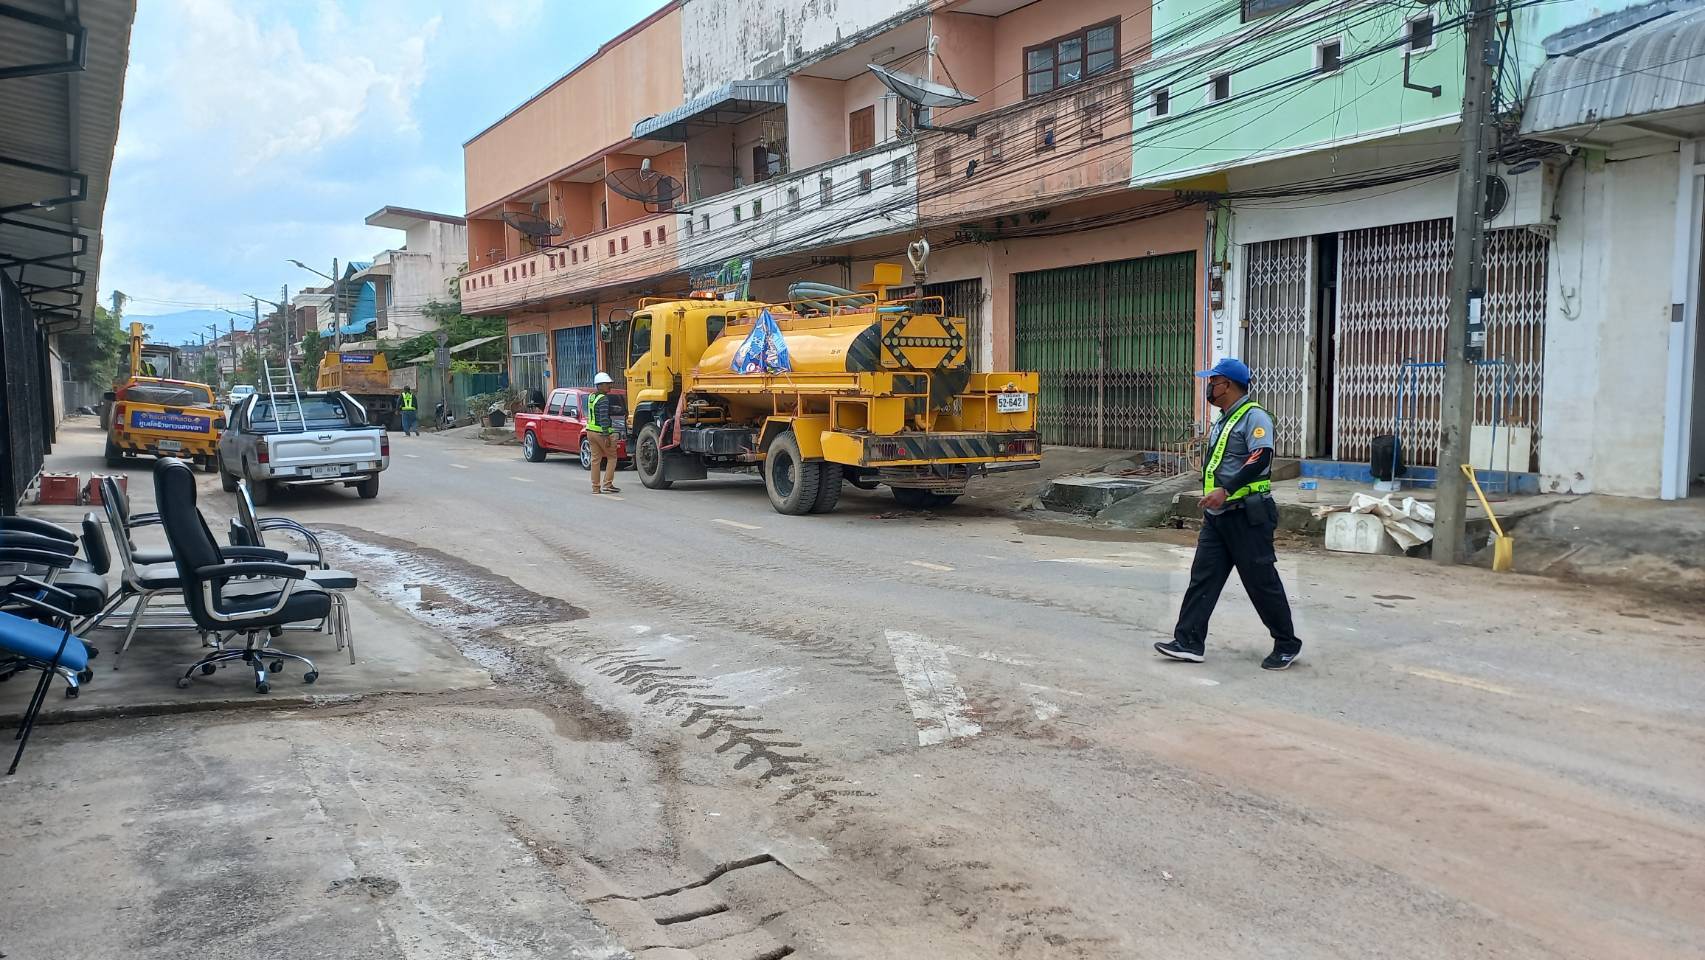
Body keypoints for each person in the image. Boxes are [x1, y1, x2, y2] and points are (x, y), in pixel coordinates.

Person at [1154, 358, 1302, 671]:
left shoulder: (1254, 417)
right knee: (1203, 578)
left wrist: (1226, 489)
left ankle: (1287, 644)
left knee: (1261, 582)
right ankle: (1188, 642)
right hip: (1218, 515)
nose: (1209, 387)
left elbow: (1261, 457)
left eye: (1214, 381)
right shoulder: (1224, 419)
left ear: (1229, 385)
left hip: (1247, 515)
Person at [585, 372, 622, 495]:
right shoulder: (603, 399)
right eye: (607, 384)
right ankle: (608, 484)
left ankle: (595, 487)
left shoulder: (591, 396)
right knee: (612, 458)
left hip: (590, 431)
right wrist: (606, 435)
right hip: (601, 433)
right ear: (599, 385)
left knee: (595, 460)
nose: (609, 386)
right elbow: (604, 418)